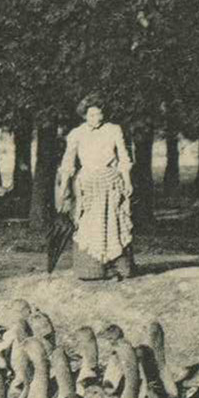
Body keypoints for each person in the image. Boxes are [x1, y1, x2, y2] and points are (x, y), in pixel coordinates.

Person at [54, 97, 137, 281]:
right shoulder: (77, 134)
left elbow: (123, 157)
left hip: (111, 183)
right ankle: (93, 268)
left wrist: (128, 181)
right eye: (91, 114)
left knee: (113, 223)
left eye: (99, 113)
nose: (96, 117)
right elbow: (68, 162)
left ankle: (117, 265)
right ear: (84, 115)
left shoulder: (113, 130)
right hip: (88, 186)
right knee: (90, 225)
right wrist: (64, 187)